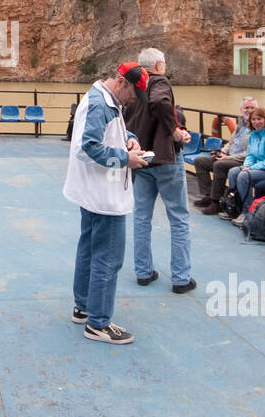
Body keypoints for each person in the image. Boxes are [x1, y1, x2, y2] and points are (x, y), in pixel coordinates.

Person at [64, 63, 149, 345]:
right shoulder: (102, 104)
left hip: (93, 192)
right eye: (133, 95)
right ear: (122, 82)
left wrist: (131, 140)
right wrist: (127, 159)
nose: (133, 101)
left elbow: (111, 134)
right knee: (108, 257)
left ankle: (84, 306)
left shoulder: (103, 98)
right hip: (104, 196)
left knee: (89, 249)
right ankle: (98, 323)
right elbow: (89, 147)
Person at [123, 48, 196, 294]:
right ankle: (181, 278)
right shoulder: (160, 81)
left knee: (142, 218)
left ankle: (143, 272)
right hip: (165, 160)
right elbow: (160, 102)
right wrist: (175, 129)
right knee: (179, 218)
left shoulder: (134, 87)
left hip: (142, 160)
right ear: (159, 64)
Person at [192, 96, 258, 214]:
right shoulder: (241, 123)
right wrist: (223, 151)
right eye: (246, 107)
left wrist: (227, 157)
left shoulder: (256, 126)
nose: (249, 110)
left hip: (242, 160)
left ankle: (216, 202)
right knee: (200, 161)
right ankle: (208, 194)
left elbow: (250, 153)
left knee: (219, 165)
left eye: (252, 107)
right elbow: (231, 142)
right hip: (229, 156)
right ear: (241, 109)